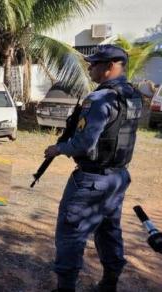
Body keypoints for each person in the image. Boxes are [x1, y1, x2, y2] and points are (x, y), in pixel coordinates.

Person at [44, 45, 143, 292]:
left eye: (95, 64)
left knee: (71, 234)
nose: (89, 68)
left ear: (111, 66)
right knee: (109, 230)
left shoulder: (100, 99)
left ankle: (65, 287)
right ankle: (110, 282)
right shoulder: (131, 95)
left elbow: (85, 143)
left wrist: (58, 149)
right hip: (118, 177)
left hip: (91, 181)